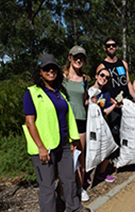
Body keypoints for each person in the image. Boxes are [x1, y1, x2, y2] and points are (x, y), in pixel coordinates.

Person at [23, 54, 92, 212]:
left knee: (69, 180)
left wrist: (73, 141)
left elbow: (67, 118)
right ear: (40, 71)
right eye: (46, 68)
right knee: (47, 187)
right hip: (44, 149)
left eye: (53, 67)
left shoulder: (59, 93)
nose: (51, 70)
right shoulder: (32, 93)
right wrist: (40, 147)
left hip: (63, 145)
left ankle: (74, 208)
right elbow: (29, 122)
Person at [96, 37, 135, 143]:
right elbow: (99, 87)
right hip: (112, 104)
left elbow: (128, 83)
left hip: (126, 103)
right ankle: (116, 156)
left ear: (117, 47)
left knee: (128, 130)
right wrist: (108, 100)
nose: (111, 47)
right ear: (105, 48)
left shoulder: (123, 64)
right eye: (108, 46)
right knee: (115, 132)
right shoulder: (102, 66)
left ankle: (127, 155)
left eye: (113, 45)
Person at [62, 46, 90, 201]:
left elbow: (84, 100)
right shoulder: (62, 77)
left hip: (80, 121)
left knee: (80, 155)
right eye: (75, 57)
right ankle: (64, 190)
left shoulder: (85, 79)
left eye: (82, 58)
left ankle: (80, 188)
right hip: (65, 121)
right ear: (70, 58)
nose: (79, 60)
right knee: (65, 157)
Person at [89, 68, 119, 182]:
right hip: (90, 125)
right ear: (96, 76)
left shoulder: (106, 93)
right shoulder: (88, 90)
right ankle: (86, 176)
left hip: (101, 123)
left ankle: (101, 173)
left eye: (107, 77)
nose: (104, 78)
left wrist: (114, 105)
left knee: (110, 148)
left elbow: (104, 112)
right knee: (91, 151)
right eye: (102, 75)